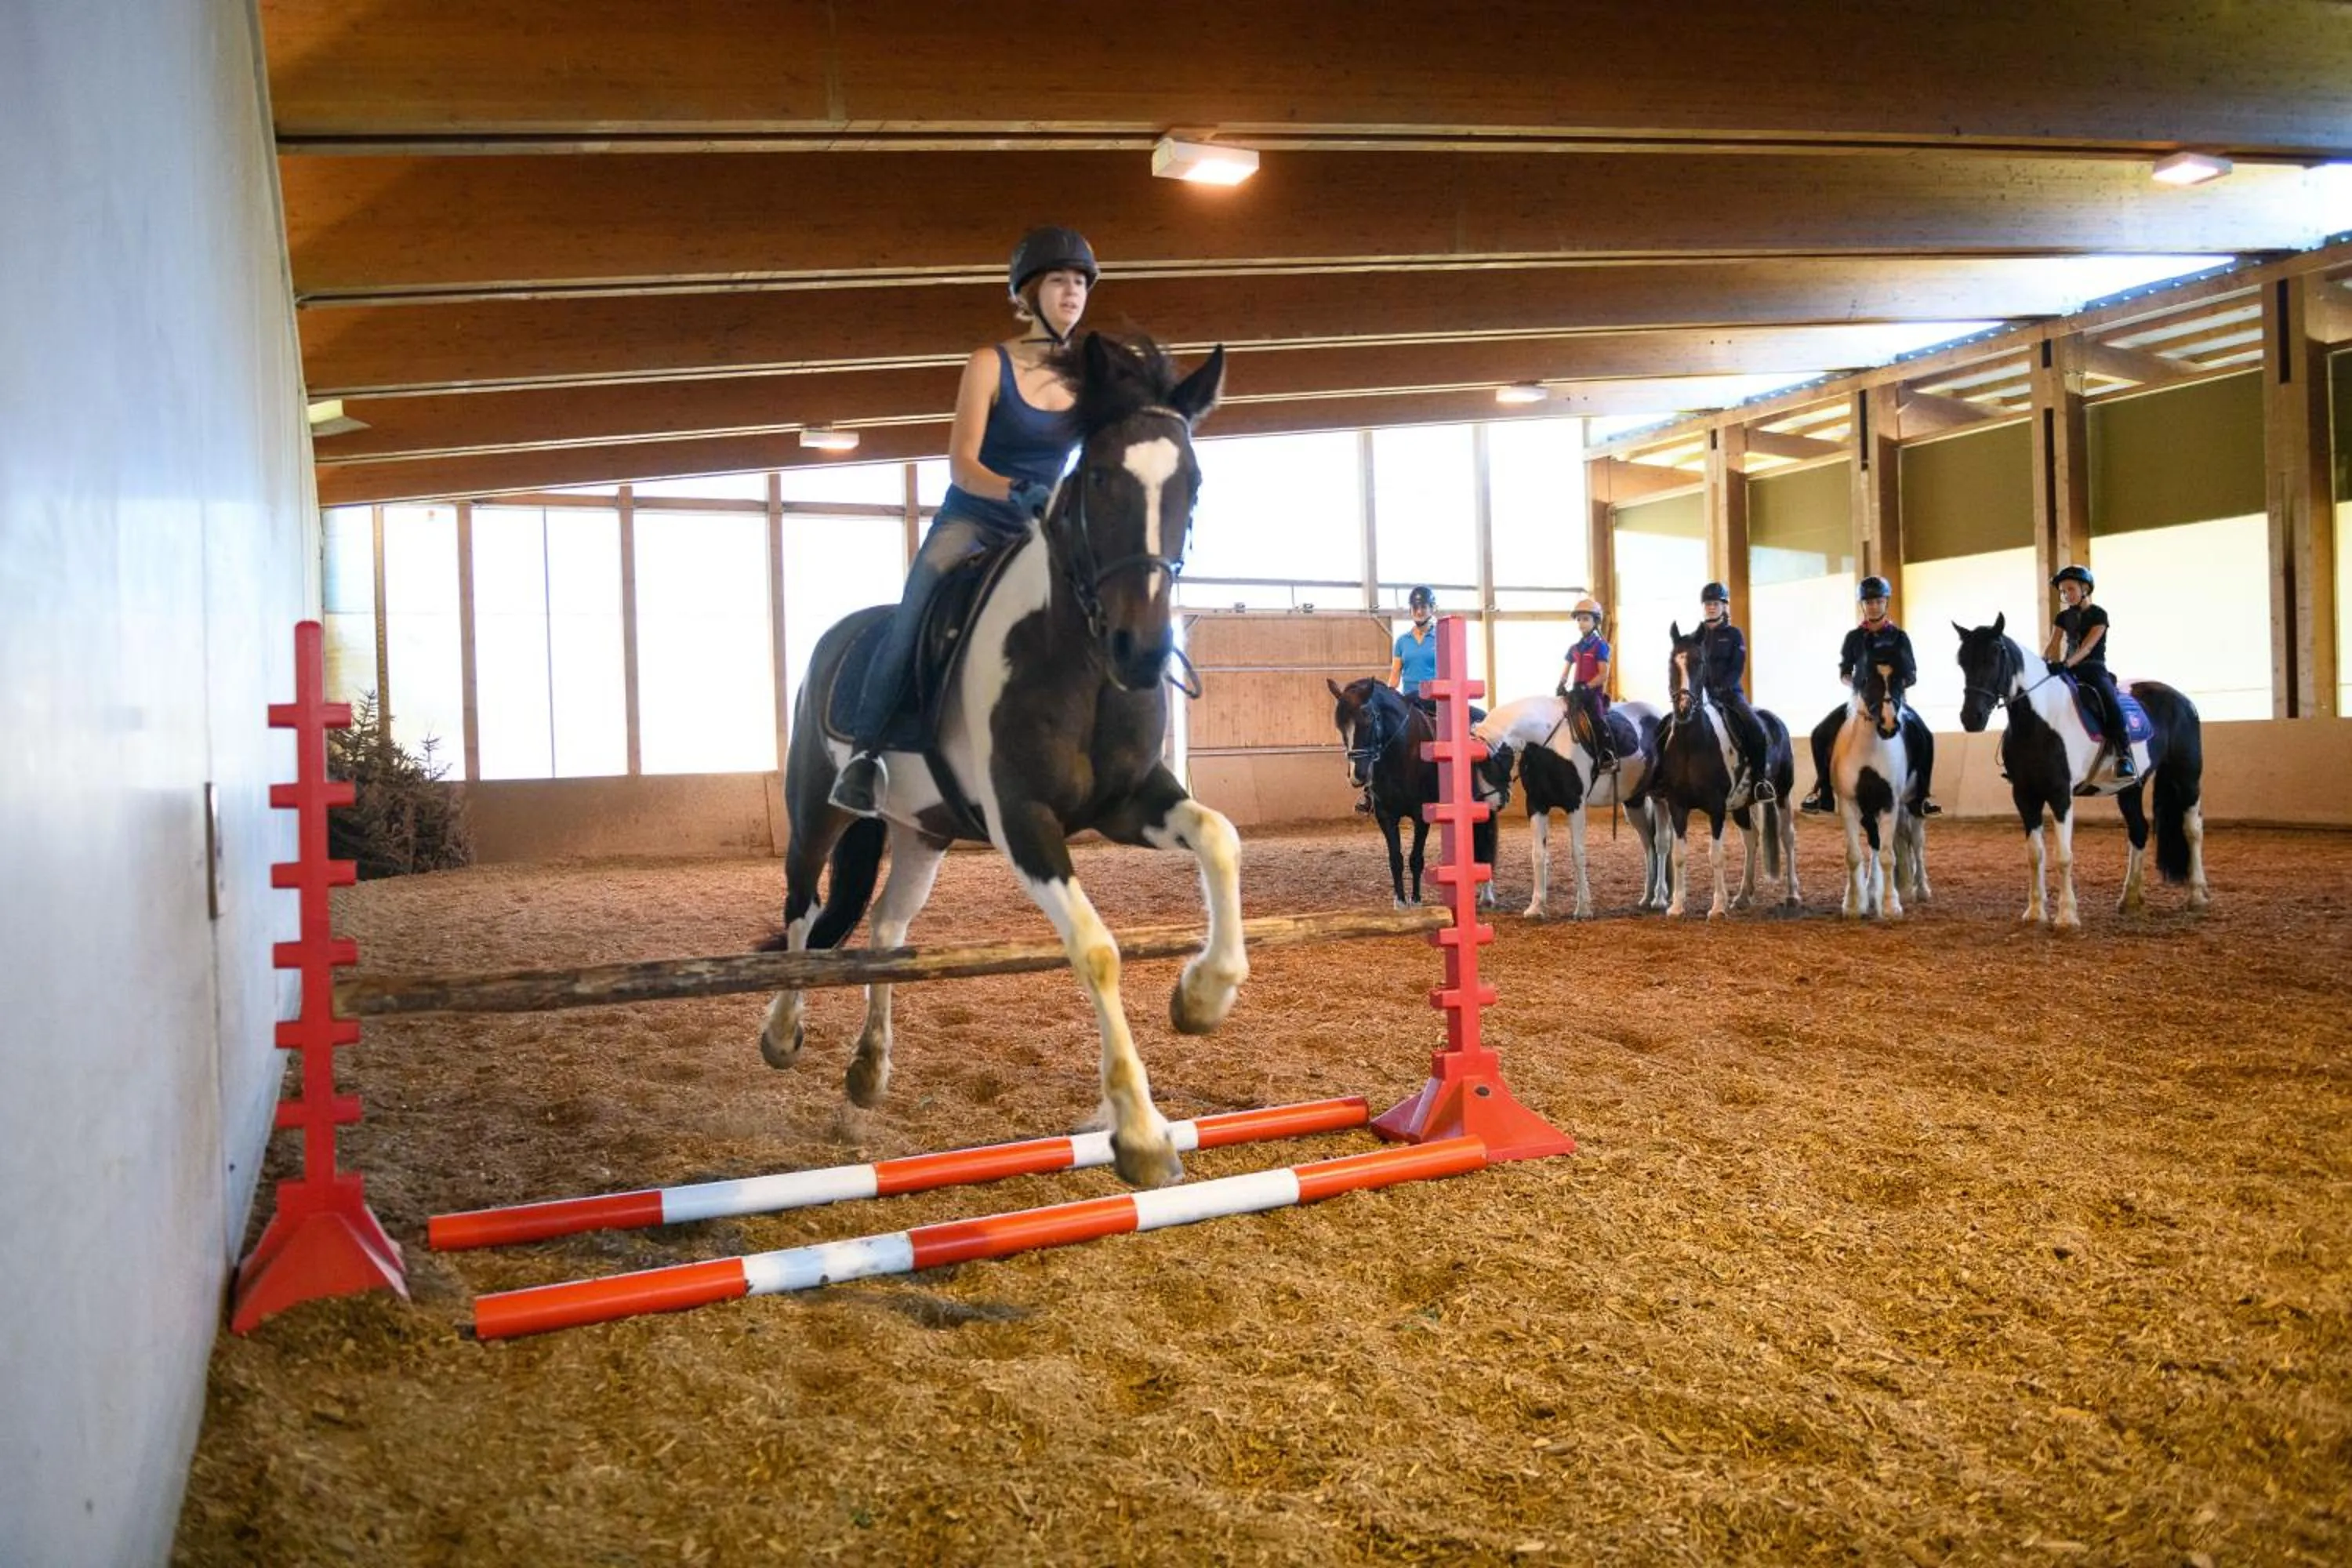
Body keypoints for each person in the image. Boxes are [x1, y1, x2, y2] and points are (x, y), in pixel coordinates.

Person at [830, 227, 1098, 815]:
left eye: (1080, 281)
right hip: (975, 520)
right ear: (1028, 295)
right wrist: (1016, 490)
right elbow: (962, 465)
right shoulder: (989, 363)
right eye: (1058, 280)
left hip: (1042, 527)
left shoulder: (1089, 376)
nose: (1072, 291)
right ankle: (866, 755)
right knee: (915, 611)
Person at [1799, 575, 1940, 815]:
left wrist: (1893, 686)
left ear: (1886, 603)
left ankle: (1923, 795)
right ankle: (1822, 790)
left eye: (1878, 601)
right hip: (1861, 702)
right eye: (1868, 602)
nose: (1873, 606)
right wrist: (1856, 687)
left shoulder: (1899, 637)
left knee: (1924, 735)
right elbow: (1845, 672)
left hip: (1893, 702)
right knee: (1820, 734)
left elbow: (1912, 673)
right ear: (1862, 605)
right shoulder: (1854, 638)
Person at [2045, 563, 2133, 779]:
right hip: (2068, 669)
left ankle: (2124, 755)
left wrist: (2066, 664)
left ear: (2085, 588)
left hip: (2093, 668)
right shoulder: (2062, 618)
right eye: (2063, 591)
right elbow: (2053, 643)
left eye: (2071, 589)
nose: (2067, 594)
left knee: (2108, 700)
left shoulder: (2099, 615)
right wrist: (2044, 663)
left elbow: (2087, 648)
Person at [1693, 581, 1775, 805]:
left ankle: (1760, 781)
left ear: (1724, 606)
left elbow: (1737, 667)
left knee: (1755, 727)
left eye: (1716, 603)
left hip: (1730, 695)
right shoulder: (1697, 637)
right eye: (1708, 604)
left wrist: (1722, 687)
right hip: (1702, 698)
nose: (1711, 607)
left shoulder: (1733, 634)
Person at [1557, 596, 1616, 771]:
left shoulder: (1600, 647)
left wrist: (1587, 686)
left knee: (1597, 718)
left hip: (1592, 692)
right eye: (1579, 619)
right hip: (1576, 690)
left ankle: (1607, 753)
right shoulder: (1574, 648)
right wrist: (1561, 683)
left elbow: (1603, 675)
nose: (1581, 623)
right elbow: (1566, 668)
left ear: (1595, 621)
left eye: (1586, 619)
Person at [1389, 586, 1440, 713]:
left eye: (1423, 607)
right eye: (1415, 608)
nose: (1419, 612)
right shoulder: (1402, 641)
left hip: (1435, 701)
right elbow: (1394, 677)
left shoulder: (1441, 639)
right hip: (1410, 703)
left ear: (1432, 608)